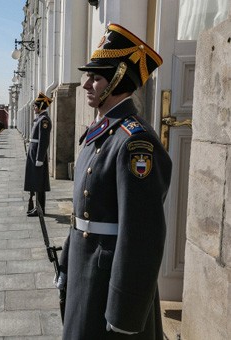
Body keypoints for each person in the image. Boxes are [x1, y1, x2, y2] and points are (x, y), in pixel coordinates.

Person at [57, 23, 172, 339]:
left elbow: (141, 237)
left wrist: (125, 312)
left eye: (96, 77)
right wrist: (67, 263)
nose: (86, 84)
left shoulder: (135, 143)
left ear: (120, 79)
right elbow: (80, 215)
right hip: (86, 269)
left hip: (107, 282)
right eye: (88, 76)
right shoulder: (102, 134)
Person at [24, 92, 52, 217]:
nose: (34, 108)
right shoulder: (39, 119)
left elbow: (44, 141)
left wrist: (40, 158)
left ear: (41, 106)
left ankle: (40, 209)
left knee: (39, 183)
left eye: (35, 106)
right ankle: (37, 207)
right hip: (34, 153)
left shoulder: (44, 120)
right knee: (35, 181)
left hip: (37, 155)